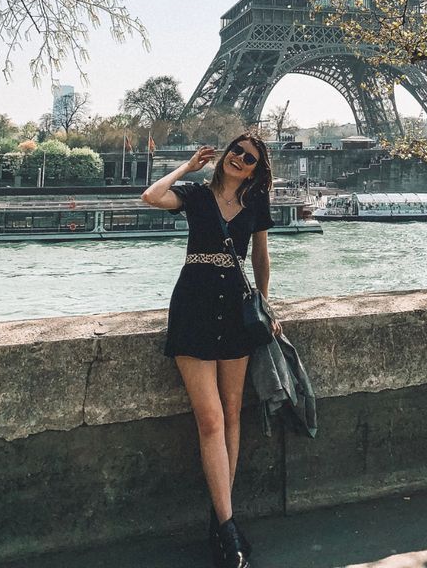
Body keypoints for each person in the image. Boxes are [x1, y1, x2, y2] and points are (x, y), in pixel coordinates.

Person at [142, 133, 280, 568]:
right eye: (236, 152)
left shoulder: (256, 203)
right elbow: (150, 196)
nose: (241, 159)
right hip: (195, 306)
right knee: (211, 418)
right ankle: (227, 526)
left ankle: (222, 513)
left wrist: (264, 300)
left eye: (250, 158)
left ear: (257, 169)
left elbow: (260, 255)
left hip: (236, 310)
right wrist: (187, 166)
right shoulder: (196, 196)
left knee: (234, 412)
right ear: (225, 155)